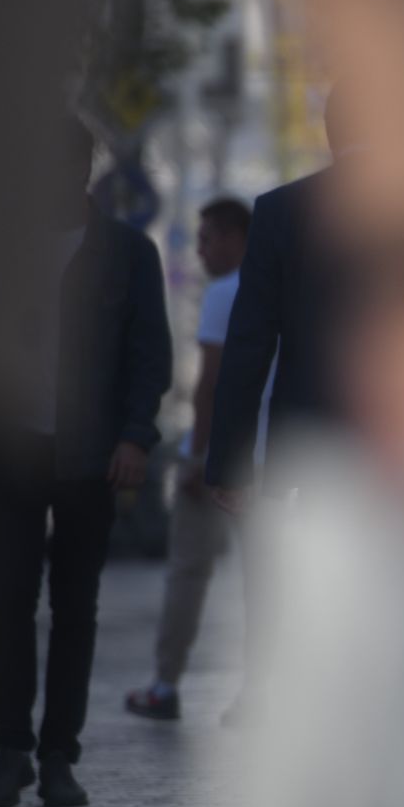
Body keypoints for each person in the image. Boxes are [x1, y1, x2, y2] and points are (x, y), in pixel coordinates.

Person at [204, 83, 404, 721]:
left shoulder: (282, 210)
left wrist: (230, 460)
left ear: (330, 132)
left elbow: (247, 343)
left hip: (320, 454)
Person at [0, 117, 172, 807]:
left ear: (81, 171)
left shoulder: (125, 253)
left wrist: (134, 437)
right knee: (7, 599)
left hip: (93, 455)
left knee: (74, 607)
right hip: (12, 448)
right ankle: (10, 748)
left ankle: (61, 753)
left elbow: (150, 357)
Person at [125, 197, 264, 720]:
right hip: (262, 458)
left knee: (187, 573)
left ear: (236, 239)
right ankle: (258, 693)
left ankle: (165, 685)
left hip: (215, 456)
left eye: (208, 239)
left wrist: (201, 457)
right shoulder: (273, 290)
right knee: (262, 581)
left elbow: (211, 383)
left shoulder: (223, 293)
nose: (201, 251)